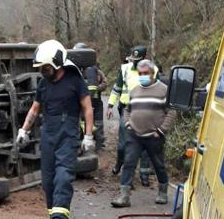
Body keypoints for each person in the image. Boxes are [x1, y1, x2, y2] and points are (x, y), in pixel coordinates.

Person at [16, 40, 95, 219]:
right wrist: (24, 130)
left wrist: (88, 136)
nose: (43, 71)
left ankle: (60, 217)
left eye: (45, 67)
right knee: (48, 178)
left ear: (57, 63)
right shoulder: (44, 84)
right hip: (48, 133)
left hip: (68, 133)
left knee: (63, 174)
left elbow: (87, 108)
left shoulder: (75, 81)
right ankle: (53, 214)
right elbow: (35, 109)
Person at [111, 59, 176, 207]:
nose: (142, 76)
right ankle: (124, 196)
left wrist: (161, 130)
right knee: (129, 163)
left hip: (154, 136)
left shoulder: (163, 90)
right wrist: (127, 123)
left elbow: (171, 112)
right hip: (135, 135)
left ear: (153, 73)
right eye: (140, 73)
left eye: (145, 73)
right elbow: (127, 109)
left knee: (158, 164)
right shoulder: (134, 91)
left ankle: (162, 191)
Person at [106, 46, 158, 186]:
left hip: (146, 111)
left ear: (145, 58)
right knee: (123, 144)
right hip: (127, 110)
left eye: (138, 60)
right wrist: (110, 105)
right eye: (133, 60)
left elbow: (158, 89)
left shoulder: (154, 70)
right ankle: (119, 163)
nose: (135, 63)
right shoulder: (125, 69)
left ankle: (144, 174)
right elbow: (117, 88)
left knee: (145, 144)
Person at [75, 43, 107, 151]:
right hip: (81, 103)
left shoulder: (96, 70)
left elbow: (104, 83)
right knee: (80, 123)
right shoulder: (74, 71)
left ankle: (100, 145)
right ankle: (81, 143)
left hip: (96, 102)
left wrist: (97, 88)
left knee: (98, 124)